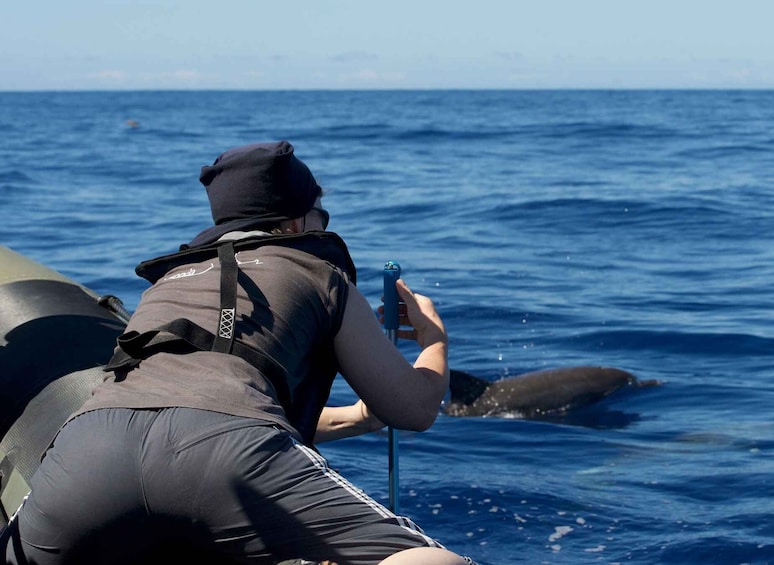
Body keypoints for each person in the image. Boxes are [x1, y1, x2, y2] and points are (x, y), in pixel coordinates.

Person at [1, 141, 472, 565]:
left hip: (87, 449)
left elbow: (179, 410)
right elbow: (413, 408)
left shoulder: (168, 283)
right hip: (226, 457)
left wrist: (357, 418)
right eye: (320, 214)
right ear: (294, 222)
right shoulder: (320, 274)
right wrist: (435, 341)